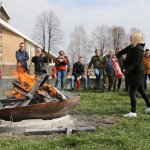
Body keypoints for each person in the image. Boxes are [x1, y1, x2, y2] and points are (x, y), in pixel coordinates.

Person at [116, 32, 150, 117]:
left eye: (131, 37)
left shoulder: (139, 49)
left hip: (137, 73)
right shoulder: (132, 46)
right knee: (141, 90)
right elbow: (123, 51)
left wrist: (126, 71)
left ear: (135, 38)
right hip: (135, 72)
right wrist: (115, 55)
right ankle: (149, 107)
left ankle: (133, 112)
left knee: (132, 91)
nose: (129, 39)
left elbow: (135, 63)